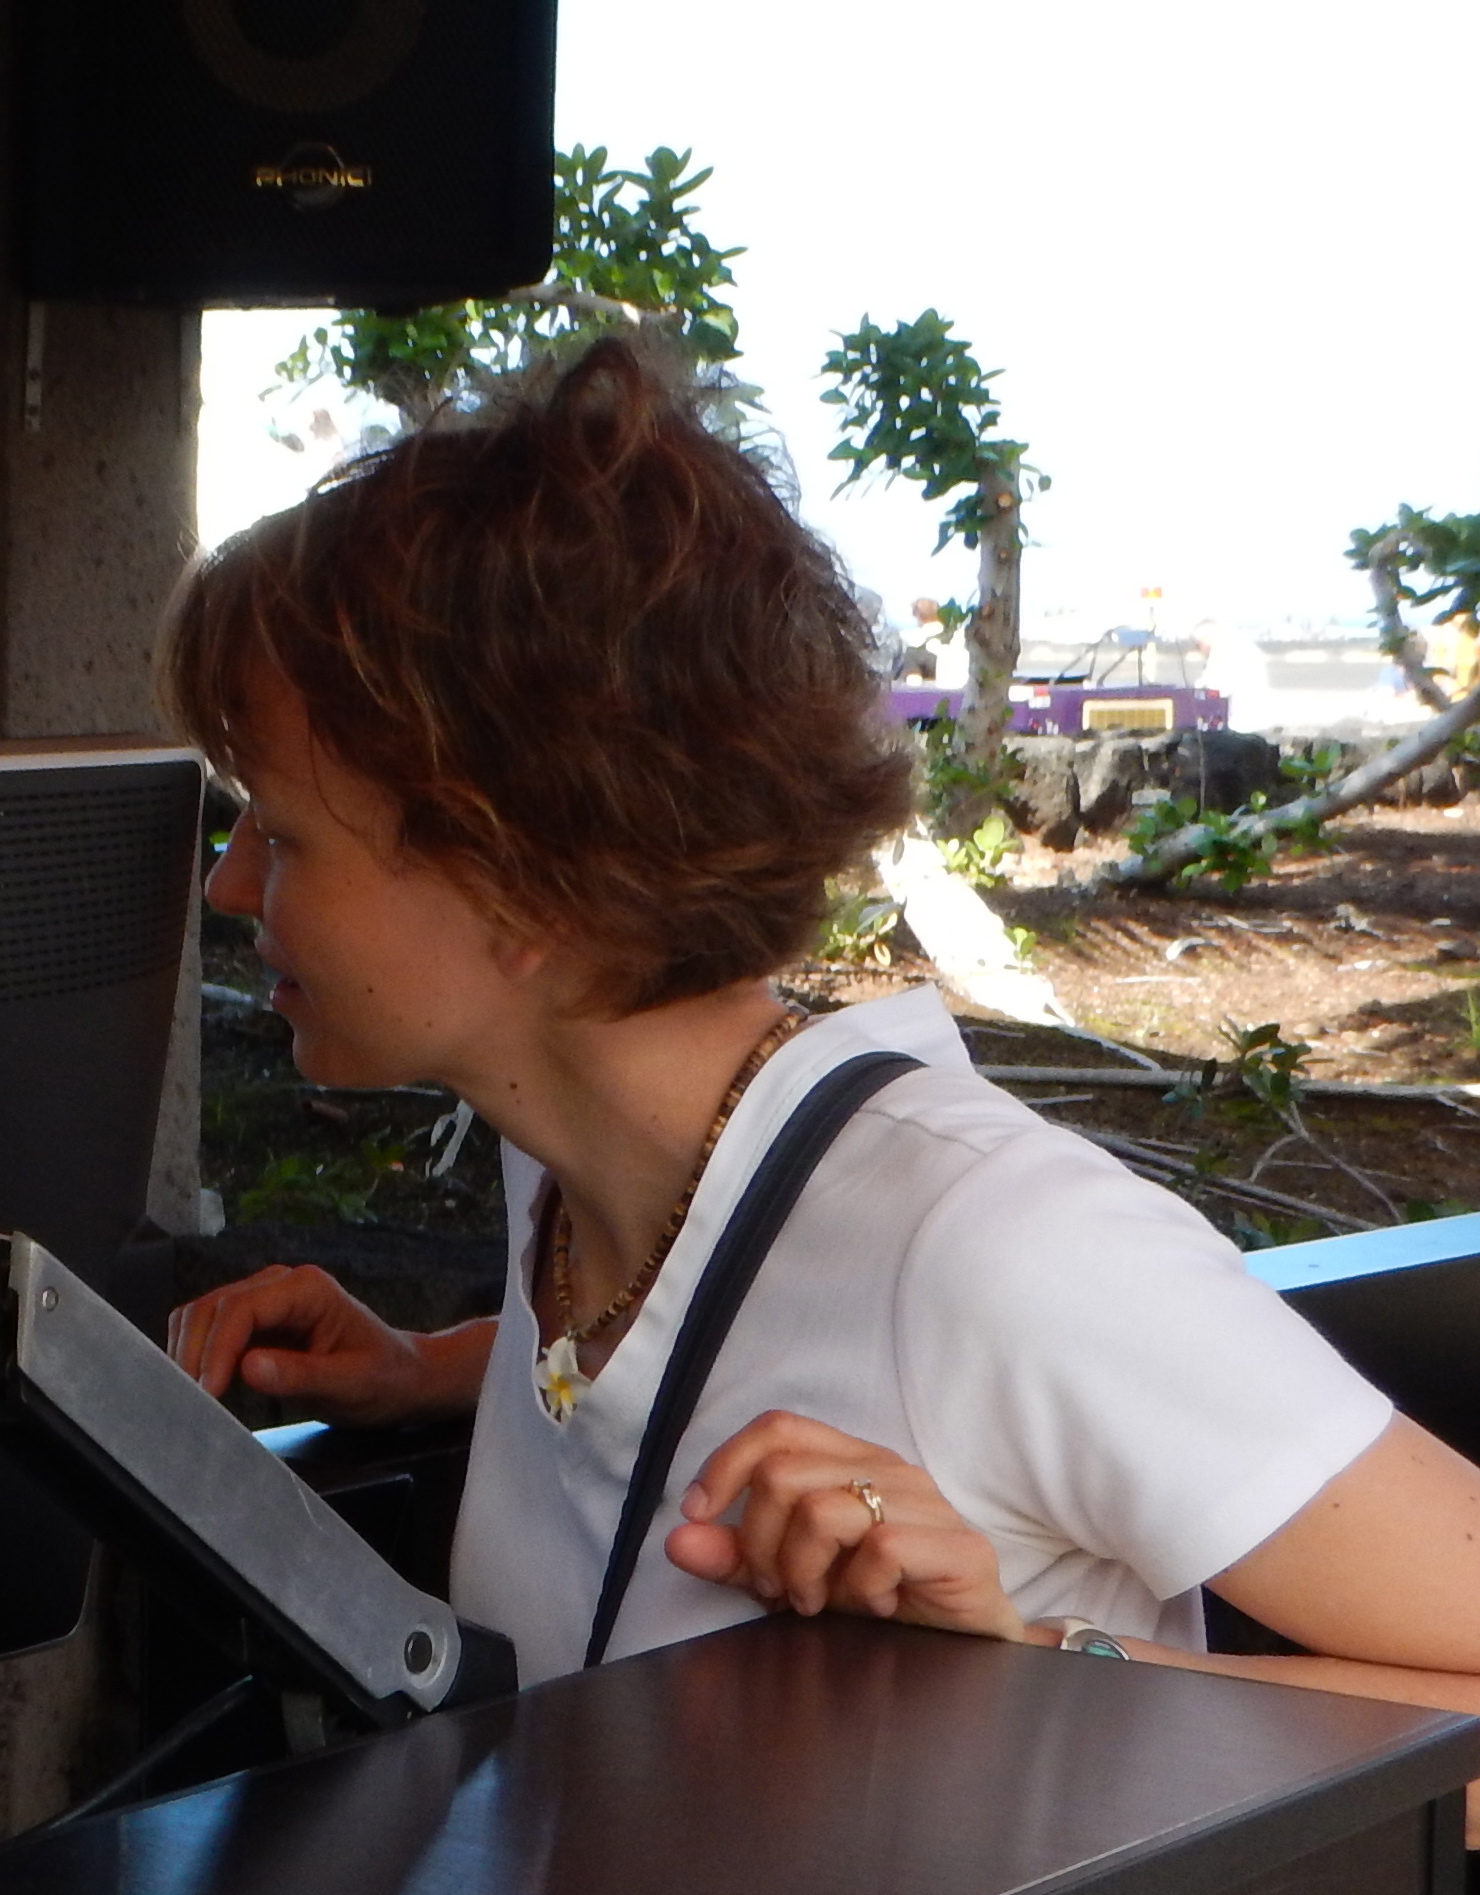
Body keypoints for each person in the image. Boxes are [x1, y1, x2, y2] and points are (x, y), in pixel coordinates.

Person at [166, 334, 1480, 1705]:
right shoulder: (572, 1161)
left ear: (526, 878)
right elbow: (724, 1339)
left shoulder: (1008, 1254)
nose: (229, 885)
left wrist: (1041, 1667)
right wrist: (434, 1371)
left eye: (282, 833)